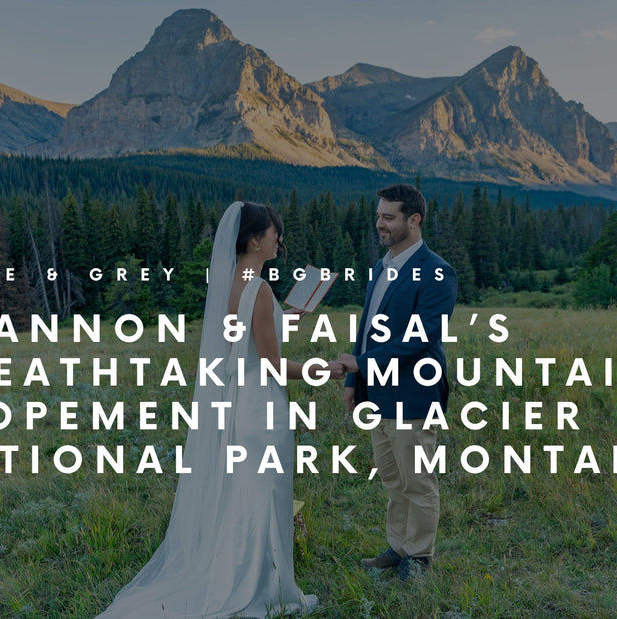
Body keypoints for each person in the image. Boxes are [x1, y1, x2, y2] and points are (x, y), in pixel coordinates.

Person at [99, 201, 326, 618]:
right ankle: (262, 588)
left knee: (243, 496)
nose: (280, 239)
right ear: (255, 240)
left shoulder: (232, 282)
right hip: (261, 406)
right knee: (264, 496)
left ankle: (238, 575)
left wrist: (286, 317)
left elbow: (246, 337)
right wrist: (324, 369)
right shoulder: (259, 288)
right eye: (275, 232)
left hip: (238, 405)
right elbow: (273, 363)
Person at [337, 184, 457, 581]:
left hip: (414, 393)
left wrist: (361, 362)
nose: (379, 224)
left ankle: (420, 558)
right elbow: (367, 325)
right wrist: (355, 379)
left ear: (414, 220)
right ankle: (398, 547)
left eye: (388, 217)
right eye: (378, 216)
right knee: (391, 476)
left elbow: (419, 338)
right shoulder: (380, 267)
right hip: (376, 391)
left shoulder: (438, 271)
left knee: (417, 479)